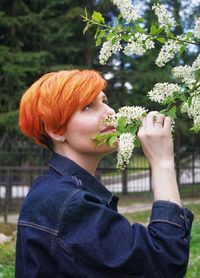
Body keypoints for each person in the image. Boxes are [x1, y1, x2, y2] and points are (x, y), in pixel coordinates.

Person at [15, 69, 193, 278]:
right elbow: (164, 263)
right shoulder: (67, 203)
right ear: (56, 130)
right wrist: (162, 162)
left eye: (104, 100)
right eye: (88, 106)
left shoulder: (58, 192)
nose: (109, 111)